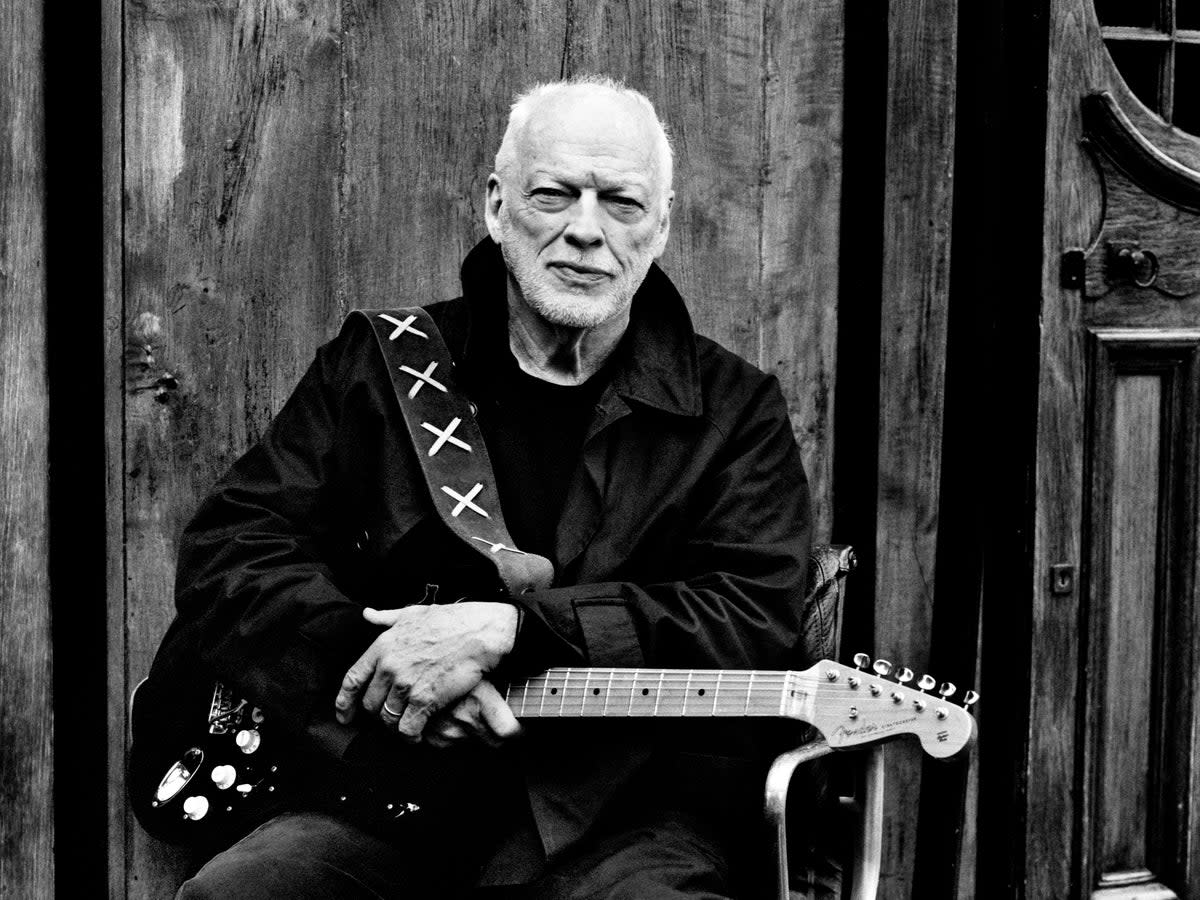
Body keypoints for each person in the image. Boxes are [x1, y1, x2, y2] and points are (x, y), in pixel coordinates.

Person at [166, 74, 813, 899]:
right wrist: (397, 672)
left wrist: (517, 628)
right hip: (381, 789)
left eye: (621, 202)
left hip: (626, 817)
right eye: (554, 195)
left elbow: (752, 615)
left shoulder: (735, 409)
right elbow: (232, 554)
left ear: (662, 224)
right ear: (497, 207)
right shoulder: (377, 365)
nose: (587, 231)